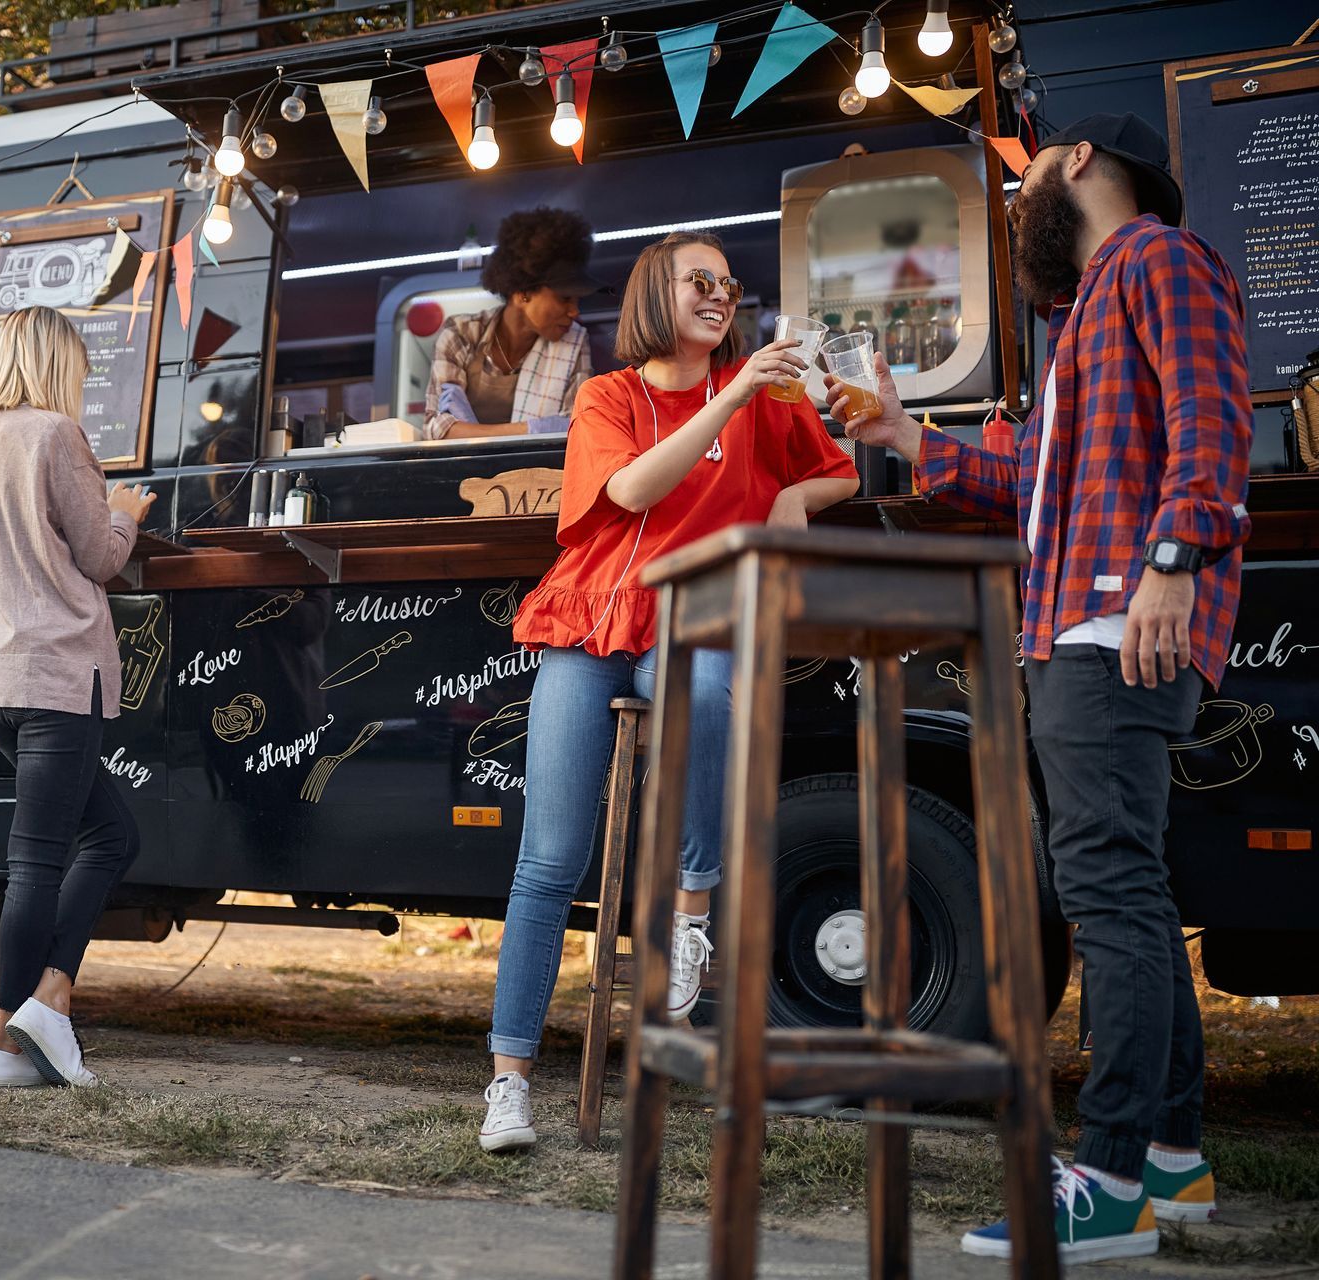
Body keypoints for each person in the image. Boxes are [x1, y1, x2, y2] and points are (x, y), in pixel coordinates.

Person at [830, 113, 1250, 1264]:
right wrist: (911, 437)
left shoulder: (1159, 258)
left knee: (1106, 889)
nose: (1021, 206)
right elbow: (1036, 473)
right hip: (1094, 614)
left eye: (1028, 176)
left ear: (1075, 162)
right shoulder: (1095, 308)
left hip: (1115, 616)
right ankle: (1172, 1159)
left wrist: (1172, 563)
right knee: (1133, 888)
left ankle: (1109, 1176)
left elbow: (1215, 425)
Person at [478, 231, 860, 1153]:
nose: (721, 294)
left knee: (710, 687)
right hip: (593, 617)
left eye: (729, 283)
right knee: (549, 859)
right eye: (702, 280)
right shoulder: (611, 394)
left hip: (693, 616)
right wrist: (730, 391)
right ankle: (509, 1083)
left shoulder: (770, 399)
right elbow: (636, 487)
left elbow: (840, 467)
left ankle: (692, 916)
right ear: (658, 290)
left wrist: (796, 499)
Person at [0, 305, 157, 1088]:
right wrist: (128, 515)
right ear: (55, 362)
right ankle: (11, 1044)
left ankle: (48, 1000)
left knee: (110, 838)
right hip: (58, 675)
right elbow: (100, 557)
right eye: (77, 364)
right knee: (40, 861)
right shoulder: (56, 435)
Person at [422, 207, 597, 440]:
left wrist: (471, 433)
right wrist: (537, 429)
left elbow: (576, 426)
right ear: (523, 293)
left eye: (577, 300)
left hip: (539, 475)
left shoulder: (575, 342)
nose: (574, 311)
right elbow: (437, 427)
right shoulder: (462, 333)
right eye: (564, 298)